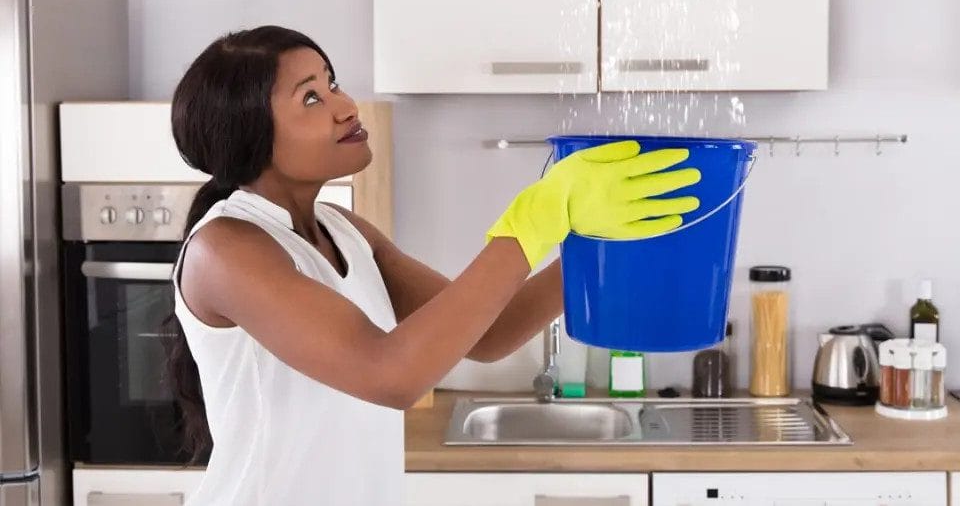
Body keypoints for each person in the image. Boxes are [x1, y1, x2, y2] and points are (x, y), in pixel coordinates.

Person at [164, 25, 701, 505]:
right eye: (310, 97)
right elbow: (390, 374)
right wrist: (532, 222)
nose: (345, 105)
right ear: (249, 134)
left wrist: (593, 243)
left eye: (331, 82)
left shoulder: (342, 229)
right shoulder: (226, 248)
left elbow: (491, 333)